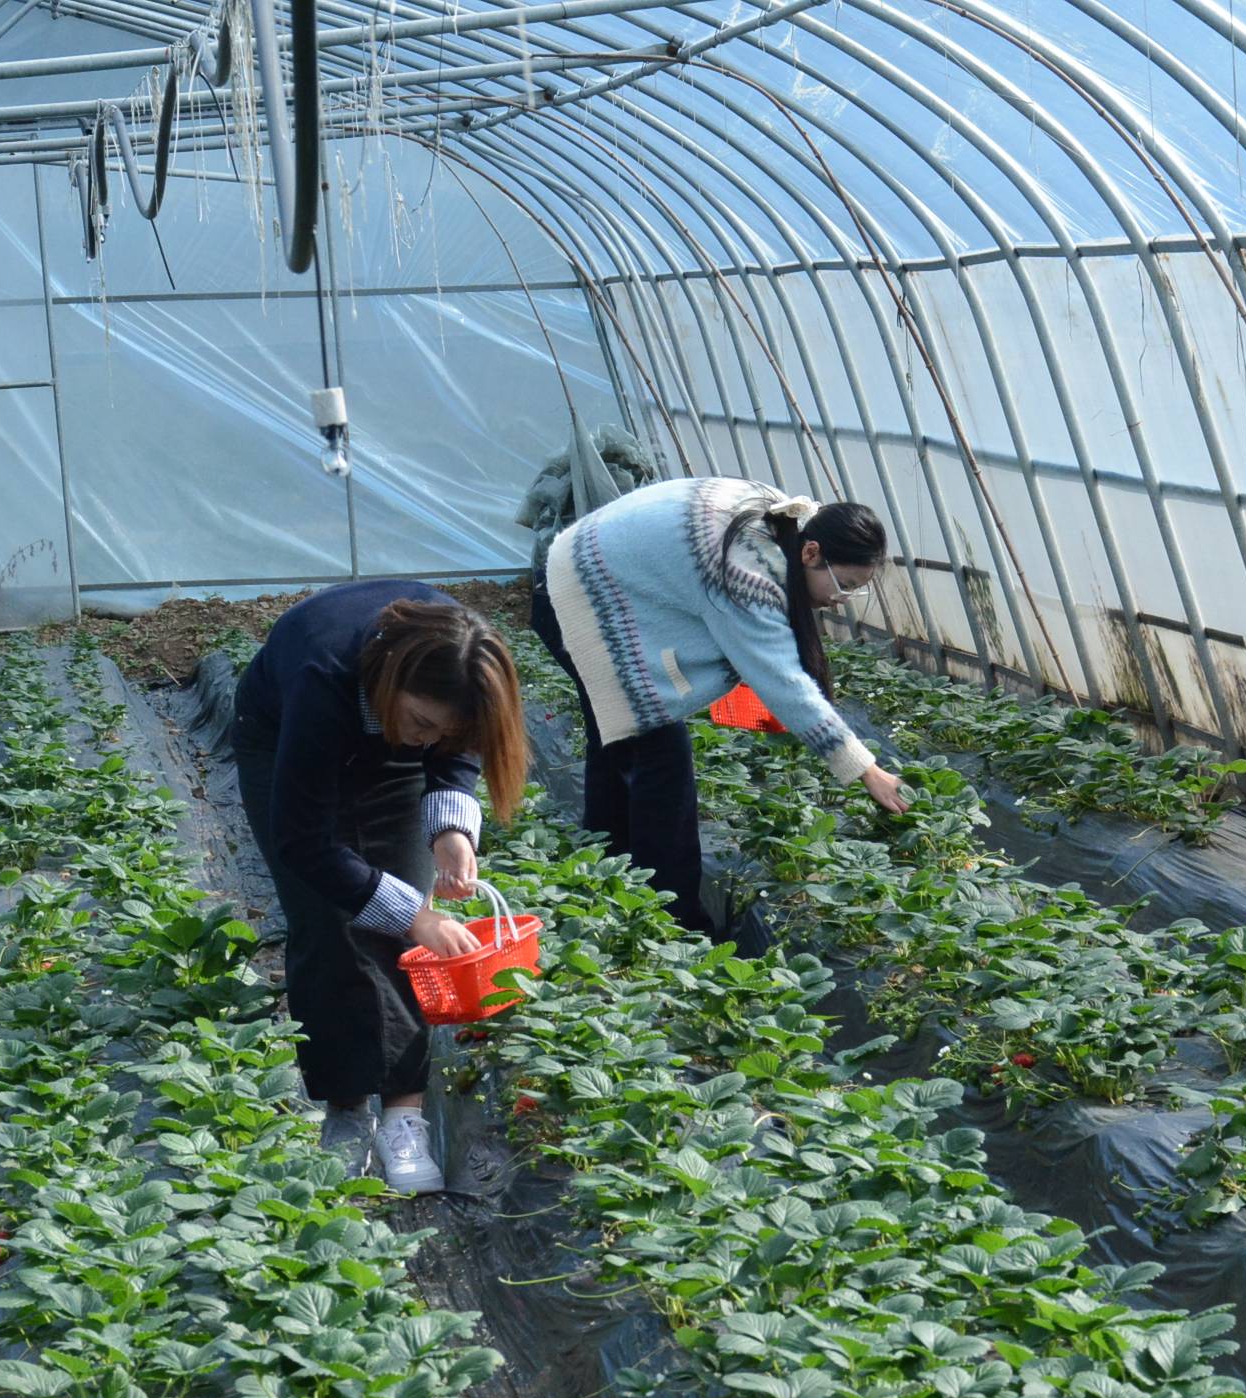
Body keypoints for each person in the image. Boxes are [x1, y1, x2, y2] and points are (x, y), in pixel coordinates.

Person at [230, 581, 526, 1192]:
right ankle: (345, 1109)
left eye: (441, 731)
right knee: (326, 920)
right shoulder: (324, 673)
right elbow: (303, 842)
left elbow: (452, 744)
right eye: (422, 722)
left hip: (382, 720)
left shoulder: (461, 671)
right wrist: (416, 914)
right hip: (281, 734)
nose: (428, 739)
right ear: (393, 681)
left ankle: (404, 1115)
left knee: (401, 940)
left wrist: (451, 831)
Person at [529, 476, 908, 938]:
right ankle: (673, 923)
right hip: (576, 594)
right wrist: (865, 768)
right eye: (844, 584)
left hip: (588, 570)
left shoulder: (779, 519)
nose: (840, 600)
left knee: (620, 740)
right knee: (661, 757)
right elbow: (782, 680)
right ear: (810, 554)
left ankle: (607, 870)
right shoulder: (747, 570)